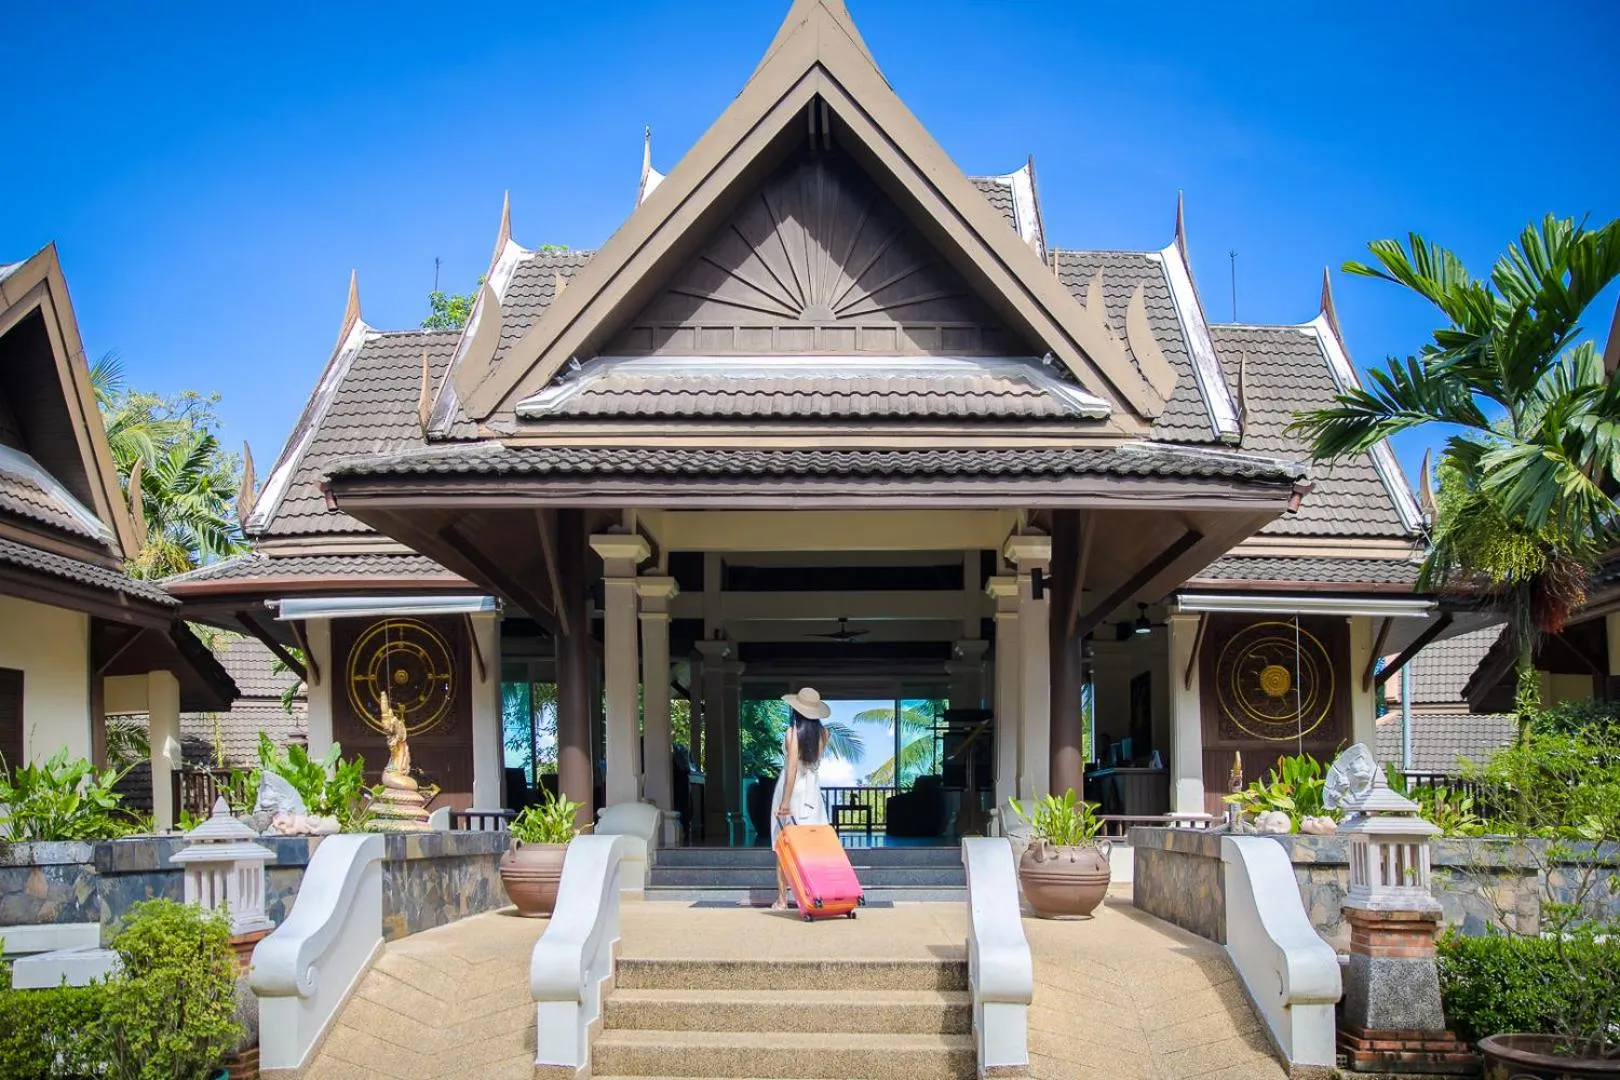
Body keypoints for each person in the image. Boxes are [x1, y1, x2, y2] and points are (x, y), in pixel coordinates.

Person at [772, 686, 831, 911]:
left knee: (783, 845)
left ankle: (782, 899)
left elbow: (792, 770)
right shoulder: (824, 734)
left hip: (792, 791)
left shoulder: (792, 733)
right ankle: (811, 894)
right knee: (812, 846)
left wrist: (785, 802)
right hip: (813, 794)